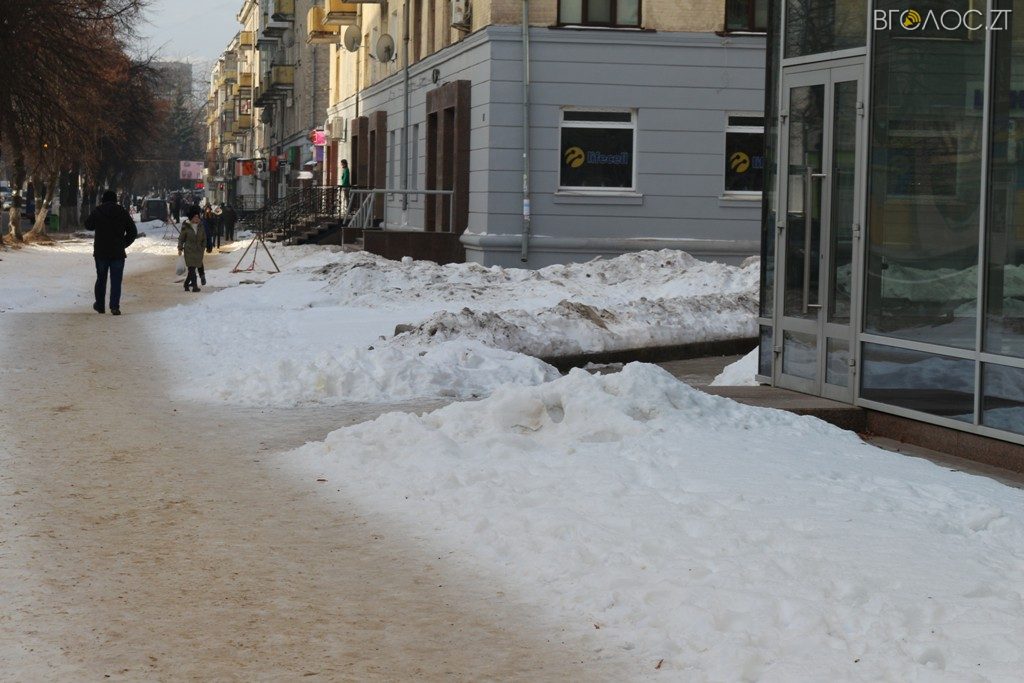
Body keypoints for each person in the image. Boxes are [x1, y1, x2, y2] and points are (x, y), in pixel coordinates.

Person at [85, 189, 138, 315]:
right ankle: (114, 307)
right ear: (115, 200)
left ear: (103, 199)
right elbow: (133, 232)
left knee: (101, 279)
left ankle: (100, 305)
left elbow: (88, 225)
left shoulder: (98, 211)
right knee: (116, 281)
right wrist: (123, 244)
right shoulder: (122, 212)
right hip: (117, 253)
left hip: (101, 252)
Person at [178, 206, 206, 292]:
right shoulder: (186, 226)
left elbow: (204, 238)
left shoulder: (201, 226)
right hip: (189, 250)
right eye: (195, 217)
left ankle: (186, 284)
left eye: (198, 217)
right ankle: (195, 286)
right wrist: (180, 248)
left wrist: (203, 247)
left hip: (198, 251)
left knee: (193, 269)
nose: (197, 218)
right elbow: (181, 238)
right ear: (191, 218)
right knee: (192, 268)